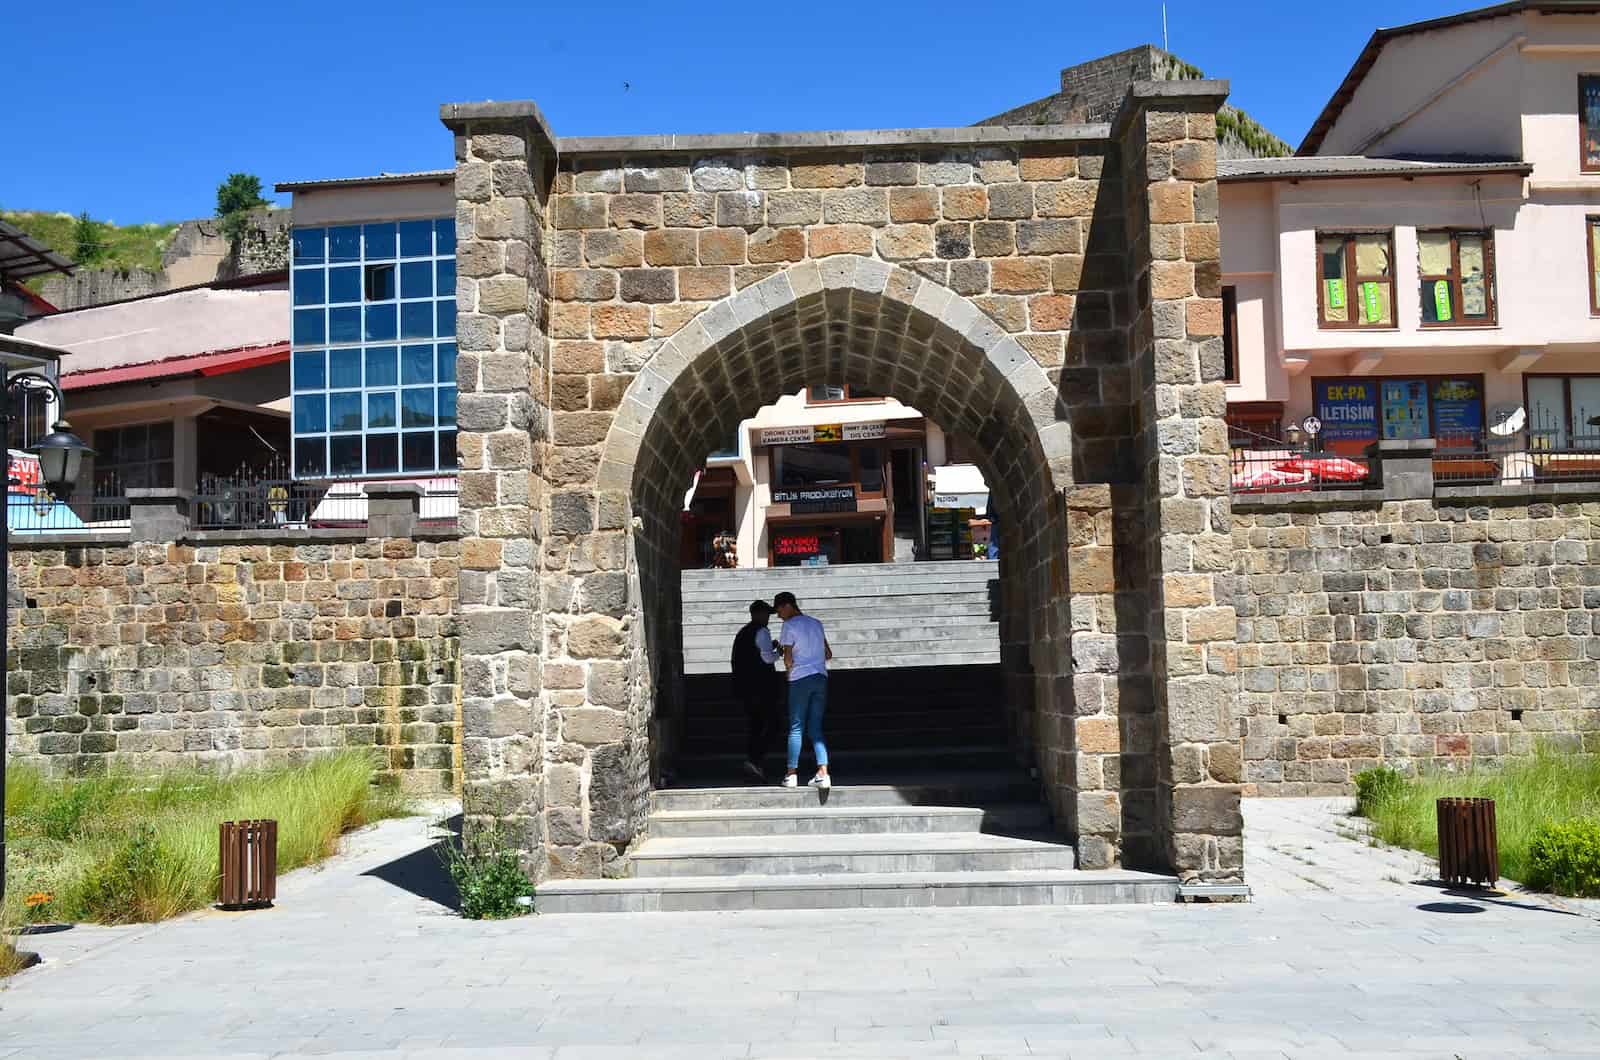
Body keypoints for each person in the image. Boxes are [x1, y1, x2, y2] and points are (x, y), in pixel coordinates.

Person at [773, 591, 833, 788]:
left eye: (779, 610)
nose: (779, 615)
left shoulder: (789, 625)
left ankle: (791, 774)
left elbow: (788, 657)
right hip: (820, 677)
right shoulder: (816, 623)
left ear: (787, 606)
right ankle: (823, 772)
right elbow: (828, 653)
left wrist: (789, 669)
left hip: (800, 678)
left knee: (796, 727)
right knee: (816, 727)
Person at [730, 600, 782, 782]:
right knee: (773, 724)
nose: (768, 618)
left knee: (756, 725)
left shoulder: (744, 633)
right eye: (766, 614)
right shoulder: (761, 631)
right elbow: (767, 658)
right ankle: (755, 759)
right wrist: (780, 652)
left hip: (745, 687)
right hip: (761, 688)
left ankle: (754, 761)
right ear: (758, 614)